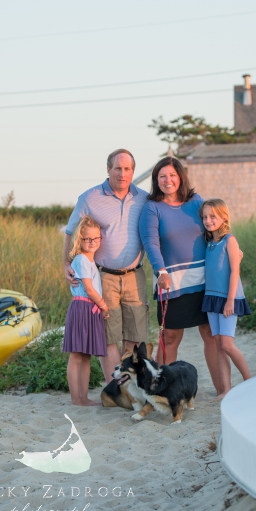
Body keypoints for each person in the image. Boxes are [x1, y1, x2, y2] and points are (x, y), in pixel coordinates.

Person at [138, 157, 228, 395]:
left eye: (172, 175)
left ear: (181, 177)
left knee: (211, 335)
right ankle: (161, 392)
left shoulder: (196, 201)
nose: (168, 181)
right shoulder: (152, 208)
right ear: (157, 181)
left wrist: (230, 245)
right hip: (171, 282)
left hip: (203, 281)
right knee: (169, 338)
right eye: (162, 176)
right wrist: (161, 272)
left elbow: (214, 227)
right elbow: (150, 243)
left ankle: (222, 391)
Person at [64, 149, 150, 384]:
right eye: (118, 168)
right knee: (109, 336)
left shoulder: (144, 198)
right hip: (104, 277)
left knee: (135, 333)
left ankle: (131, 387)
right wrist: (65, 263)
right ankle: (116, 390)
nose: (123, 173)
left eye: (128, 169)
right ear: (108, 169)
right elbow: (71, 231)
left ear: (133, 170)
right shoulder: (90, 197)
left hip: (135, 275)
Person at [200, 199, 252, 399]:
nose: (208, 220)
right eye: (205, 217)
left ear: (224, 217)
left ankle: (249, 381)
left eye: (213, 216)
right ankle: (226, 390)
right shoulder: (210, 243)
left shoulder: (229, 240)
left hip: (228, 299)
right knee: (218, 343)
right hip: (212, 298)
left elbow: (234, 271)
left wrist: (230, 300)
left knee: (228, 344)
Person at [63, 216, 108, 406]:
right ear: (79, 240)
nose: (91, 242)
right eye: (87, 239)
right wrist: (103, 305)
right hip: (82, 307)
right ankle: (76, 399)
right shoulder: (81, 259)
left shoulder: (91, 262)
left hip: (91, 309)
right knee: (76, 356)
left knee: (86, 356)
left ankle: (84, 397)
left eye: (95, 239)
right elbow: (89, 289)